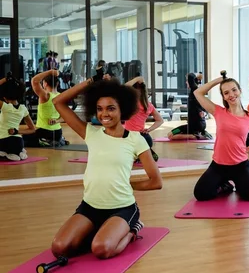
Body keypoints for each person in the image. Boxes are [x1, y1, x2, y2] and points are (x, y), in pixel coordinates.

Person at [50, 75, 162, 260]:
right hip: (90, 207)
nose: (105, 114)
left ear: (122, 109)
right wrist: (91, 82)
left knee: (101, 249)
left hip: (122, 208)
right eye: (100, 109)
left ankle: (132, 231)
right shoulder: (91, 133)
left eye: (111, 108)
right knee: (59, 248)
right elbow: (58, 102)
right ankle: (99, 229)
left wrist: (127, 186)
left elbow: (156, 182)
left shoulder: (136, 140)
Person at [192, 72, 249, 201]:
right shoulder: (218, 111)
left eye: (234, 90)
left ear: (240, 91)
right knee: (200, 194)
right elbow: (198, 93)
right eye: (226, 93)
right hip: (218, 165)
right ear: (223, 96)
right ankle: (225, 186)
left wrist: (247, 150)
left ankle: (238, 183)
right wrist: (219, 80)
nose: (231, 95)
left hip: (241, 165)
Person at [123, 76, 162, 162]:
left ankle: (139, 154)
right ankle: (144, 153)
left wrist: (137, 79)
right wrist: (149, 129)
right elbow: (160, 120)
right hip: (145, 139)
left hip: (132, 138)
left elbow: (124, 87)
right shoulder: (148, 105)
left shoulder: (132, 103)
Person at [24, 69, 66, 148]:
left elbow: (34, 81)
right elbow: (64, 117)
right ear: (57, 83)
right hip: (58, 133)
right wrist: (56, 121)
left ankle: (46, 141)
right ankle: (57, 140)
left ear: (45, 84)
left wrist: (50, 71)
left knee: (23, 139)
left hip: (44, 132)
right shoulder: (61, 96)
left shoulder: (45, 95)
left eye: (43, 82)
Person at [0, 73, 36, 161]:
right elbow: (33, 129)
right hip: (19, 142)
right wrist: (17, 131)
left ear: (4, 97)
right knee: (15, 148)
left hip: (4, 142)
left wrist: (4, 79)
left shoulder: (5, 107)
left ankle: (6, 154)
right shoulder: (23, 108)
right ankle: (18, 152)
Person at [168, 73, 213, 141]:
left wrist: (195, 75)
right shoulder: (198, 92)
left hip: (193, 126)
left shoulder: (194, 91)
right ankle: (201, 133)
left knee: (170, 135)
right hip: (201, 125)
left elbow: (190, 77)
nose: (186, 82)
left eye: (187, 81)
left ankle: (194, 136)